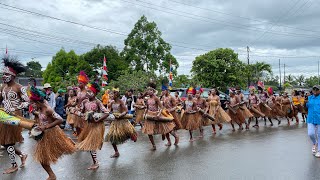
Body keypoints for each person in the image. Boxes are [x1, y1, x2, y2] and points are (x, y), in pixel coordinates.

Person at [29, 86, 75, 179]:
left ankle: (66, 142)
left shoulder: (48, 109)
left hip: (52, 133)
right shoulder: (40, 108)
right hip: (44, 135)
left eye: (32, 103)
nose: (32, 105)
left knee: (44, 158)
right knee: (42, 158)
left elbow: (60, 120)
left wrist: (46, 126)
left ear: (37, 102)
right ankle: (52, 175)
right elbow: (42, 118)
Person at [0, 56, 29, 174]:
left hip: (14, 116)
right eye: (3, 74)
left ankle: (14, 165)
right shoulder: (3, 87)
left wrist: (14, 108)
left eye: (6, 74)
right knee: (4, 141)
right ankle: (22, 155)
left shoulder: (19, 87)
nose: (3, 76)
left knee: (8, 142)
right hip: (3, 116)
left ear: (13, 76)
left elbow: (28, 102)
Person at [74, 82, 109, 170]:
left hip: (97, 125)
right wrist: (75, 111)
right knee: (89, 144)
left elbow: (106, 113)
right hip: (88, 125)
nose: (88, 93)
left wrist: (97, 120)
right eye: (87, 92)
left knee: (91, 144)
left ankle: (95, 162)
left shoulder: (97, 102)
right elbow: (81, 113)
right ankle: (95, 161)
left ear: (95, 93)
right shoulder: (85, 101)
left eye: (90, 92)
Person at [142, 82, 175, 150]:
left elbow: (162, 107)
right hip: (149, 116)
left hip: (157, 115)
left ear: (153, 91)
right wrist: (144, 113)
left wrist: (158, 115)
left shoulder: (156, 98)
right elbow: (147, 108)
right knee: (149, 132)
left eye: (151, 90)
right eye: (148, 90)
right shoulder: (147, 99)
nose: (149, 91)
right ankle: (154, 145)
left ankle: (172, 136)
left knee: (165, 128)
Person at [105, 87, 137, 158]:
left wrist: (121, 115)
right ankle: (116, 152)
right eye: (111, 95)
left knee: (127, 133)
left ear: (116, 95)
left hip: (122, 120)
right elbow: (109, 110)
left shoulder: (121, 102)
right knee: (111, 137)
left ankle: (132, 135)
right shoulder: (112, 102)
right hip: (115, 121)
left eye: (112, 95)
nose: (111, 96)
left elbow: (125, 111)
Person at [73, 71, 90, 136]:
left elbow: (89, 100)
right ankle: (79, 139)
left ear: (84, 84)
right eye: (78, 83)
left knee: (84, 126)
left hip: (84, 111)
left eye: (80, 83)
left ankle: (84, 138)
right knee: (77, 126)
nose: (78, 85)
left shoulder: (87, 91)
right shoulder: (78, 90)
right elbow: (77, 100)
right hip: (77, 110)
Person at [306, 85, 320, 157]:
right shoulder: (309, 98)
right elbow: (306, 106)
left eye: (317, 89)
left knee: (319, 134)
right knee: (310, 133)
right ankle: (315, 143)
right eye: (314, 89)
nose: (315, 91)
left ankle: (319, 151)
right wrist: (304, 102)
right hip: (311, 118)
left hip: (319, 119)